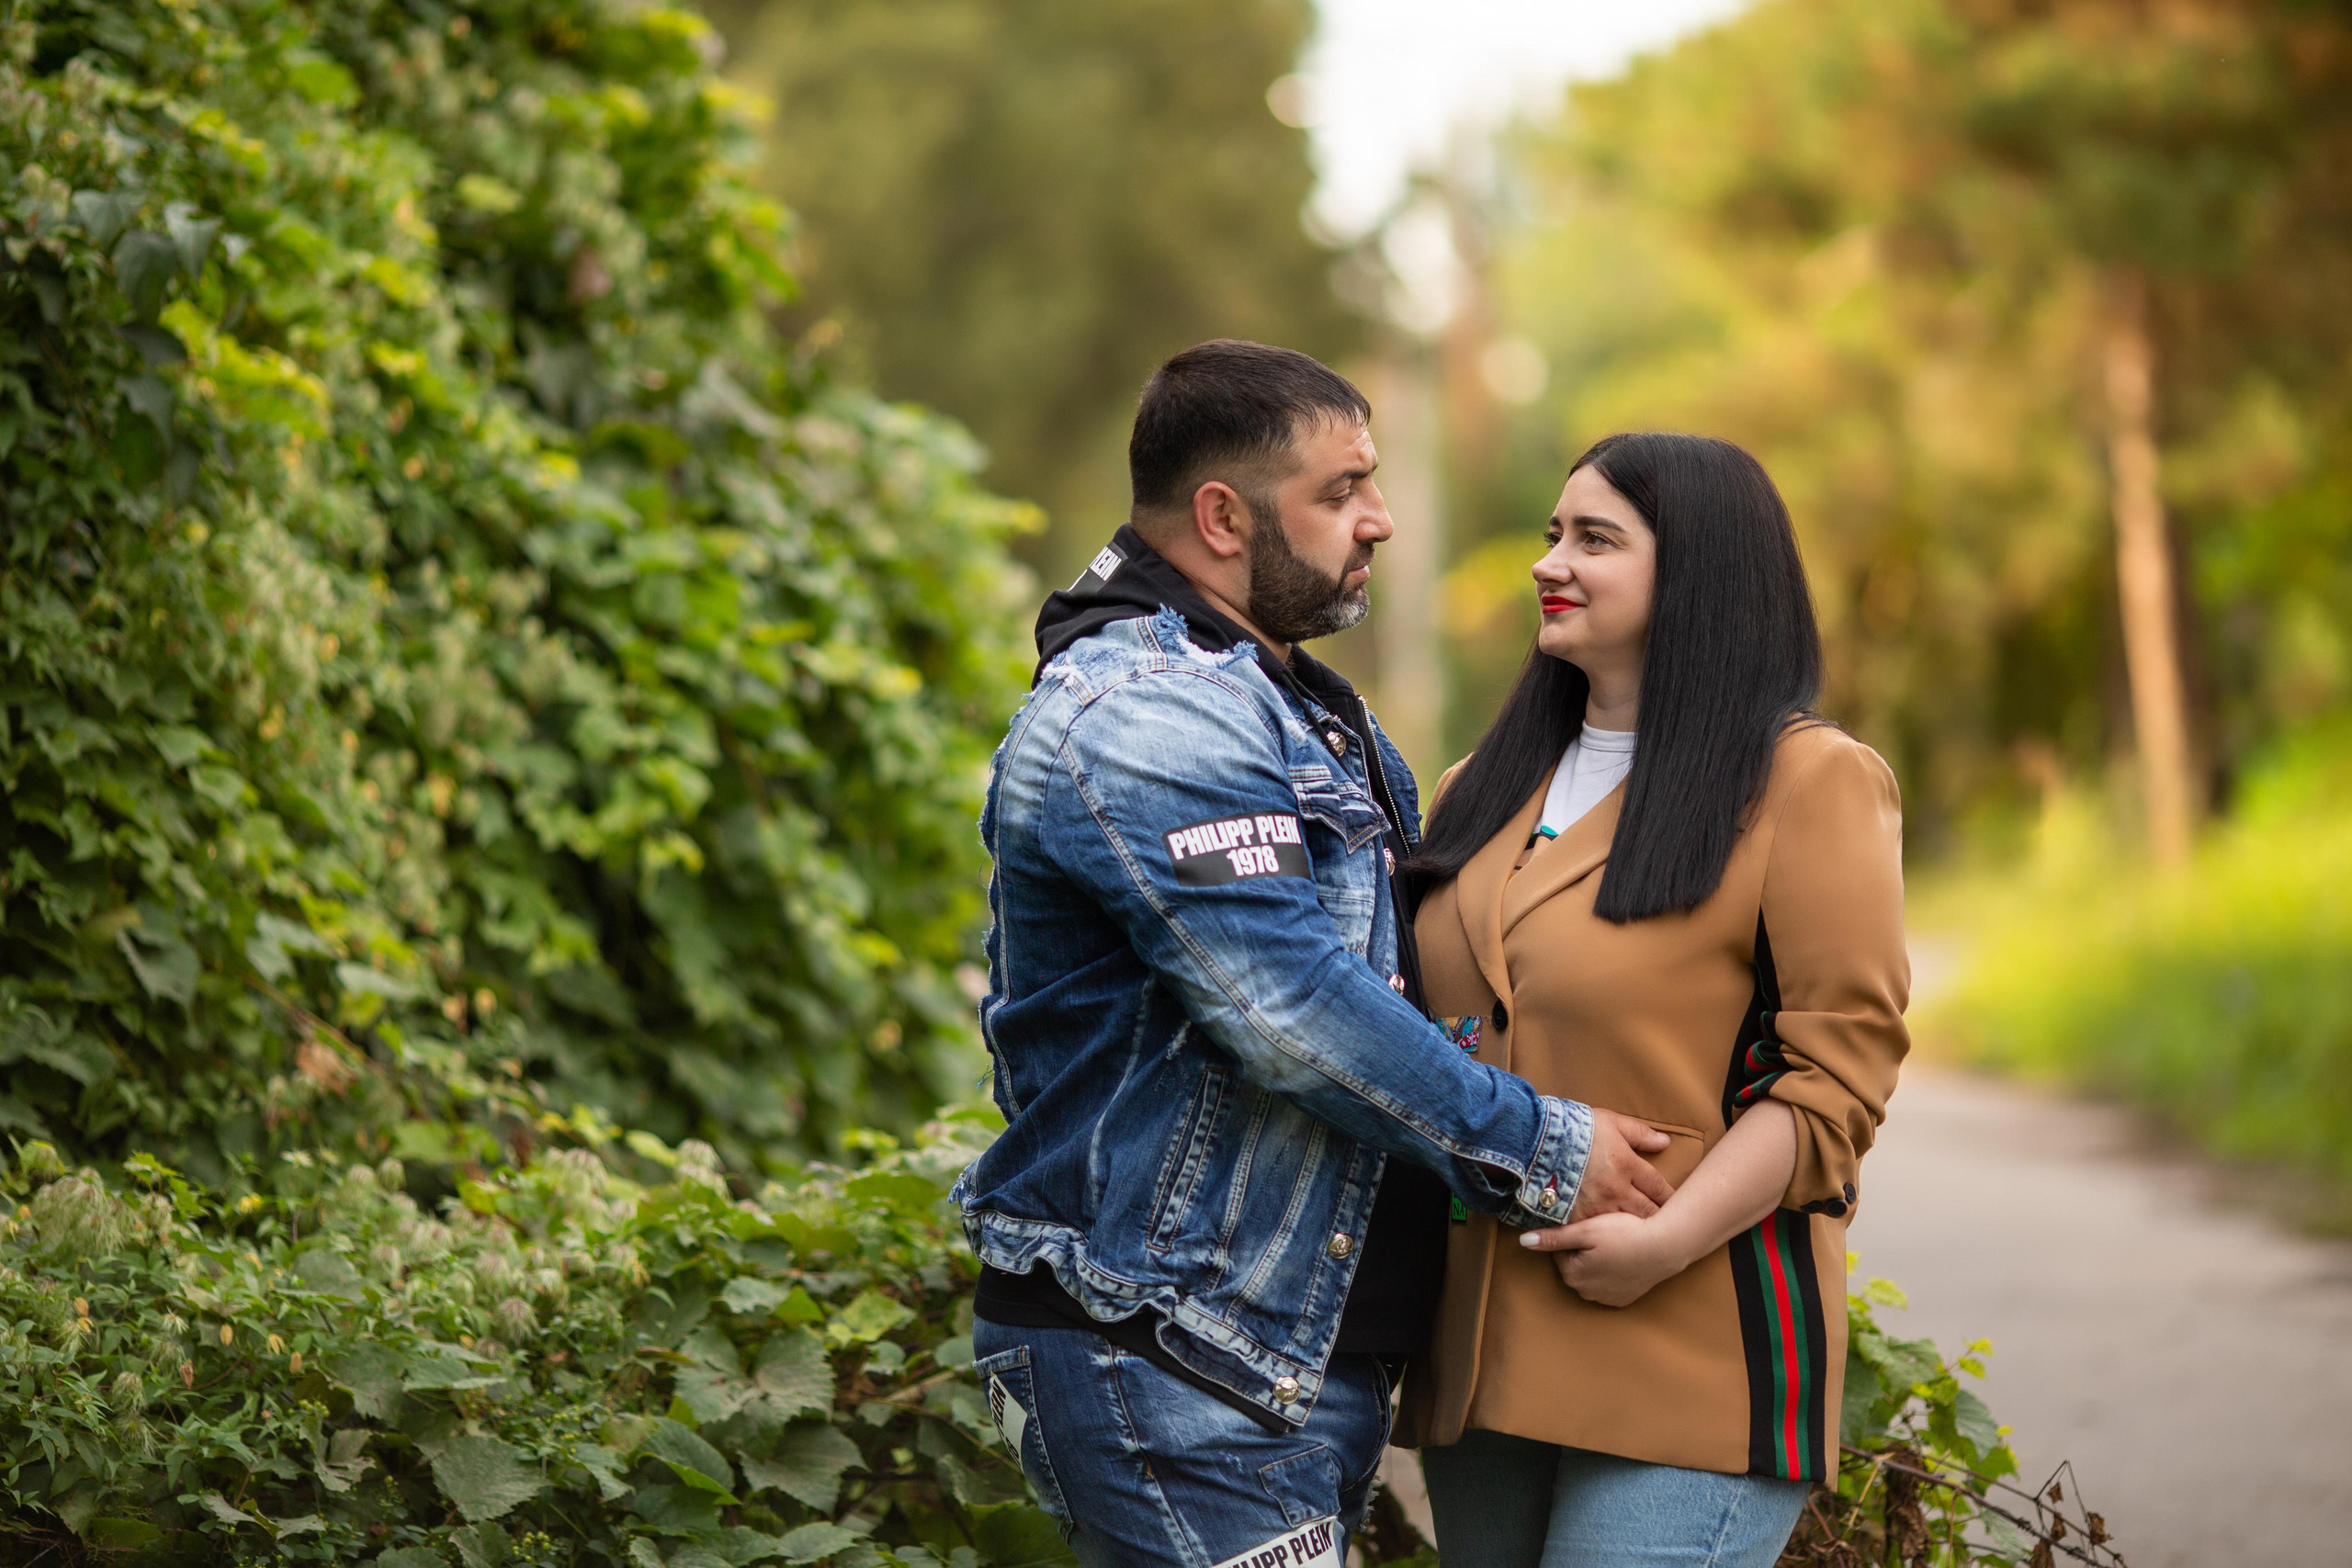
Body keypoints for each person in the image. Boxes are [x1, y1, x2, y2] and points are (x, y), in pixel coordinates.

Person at [951, 342, 1678, 1568]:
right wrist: (1546, 1147)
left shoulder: (1292, 701)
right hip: (1175, 1351)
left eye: (1374, 483)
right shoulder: (1145, 707)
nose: (1380, 519)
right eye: (1340, 492)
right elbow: (1288, 1006)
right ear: (1223, 516)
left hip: (1255, 1360)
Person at [1395, 432, 1911, 1567]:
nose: (1550, 562)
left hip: (1691, 1341)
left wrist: (1667, 1238)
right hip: (1479, 1361)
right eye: (1551, 534)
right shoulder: (1472, 791)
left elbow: (1835, 1081)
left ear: (1699, 576)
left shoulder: (1809, 781)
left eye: (1595, 539)